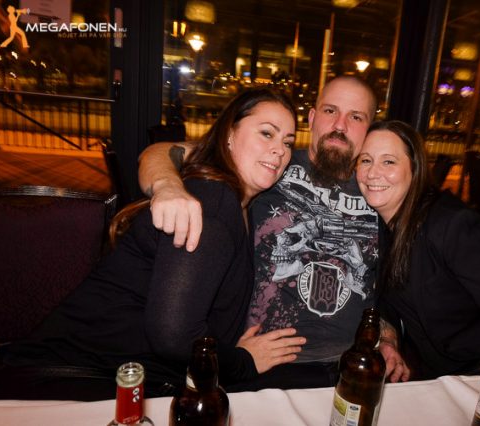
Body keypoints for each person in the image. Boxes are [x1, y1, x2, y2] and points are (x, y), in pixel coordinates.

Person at [0, 88, 305, 400]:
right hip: (69, 382)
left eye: (288, 142)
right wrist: (243, 362)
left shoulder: (240, 203)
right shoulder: (214, 203)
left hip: (123, 380)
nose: (279, 150)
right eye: (267, 133)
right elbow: (174, 337)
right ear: (229, 135)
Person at [137, 76, 410, 389]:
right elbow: (161, 152)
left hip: (350, 364)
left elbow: (382, 287)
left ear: (369, 127)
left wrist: (388, 339)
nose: (340, 125)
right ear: (312, 117)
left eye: (356, 117)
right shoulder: (269, 163)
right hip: (264, 367)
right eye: (330, 111)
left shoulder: (377, 189)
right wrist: (167, 185)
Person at [356, 120, 480, 380]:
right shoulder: (382, 227)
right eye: (366, 160)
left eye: (388, 162)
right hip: (436, 375)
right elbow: (389, 301)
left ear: (415, 169)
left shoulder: (452, 225)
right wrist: (388, 341)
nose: (373, 173)